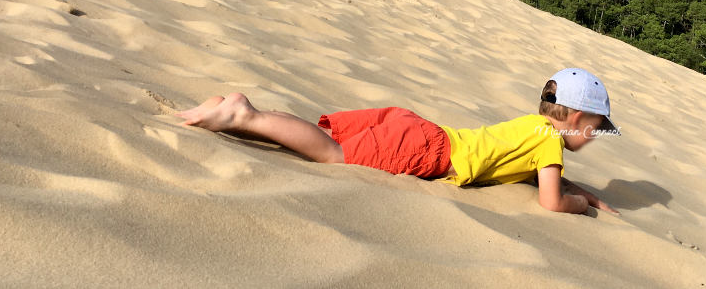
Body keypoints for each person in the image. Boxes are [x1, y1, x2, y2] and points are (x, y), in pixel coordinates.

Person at [176, 67, 620, 215]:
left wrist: (583, 192)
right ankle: (243, 112)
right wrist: (577, 204)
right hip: (428, 151)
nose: (595, 136)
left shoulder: (533, 127)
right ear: (577, 119)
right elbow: (550, 201)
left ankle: (237, 118)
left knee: (319, 136)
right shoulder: (551, 144)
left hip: (419, 129)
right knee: (332, 155)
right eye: (596, 127)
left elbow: (533, 176)